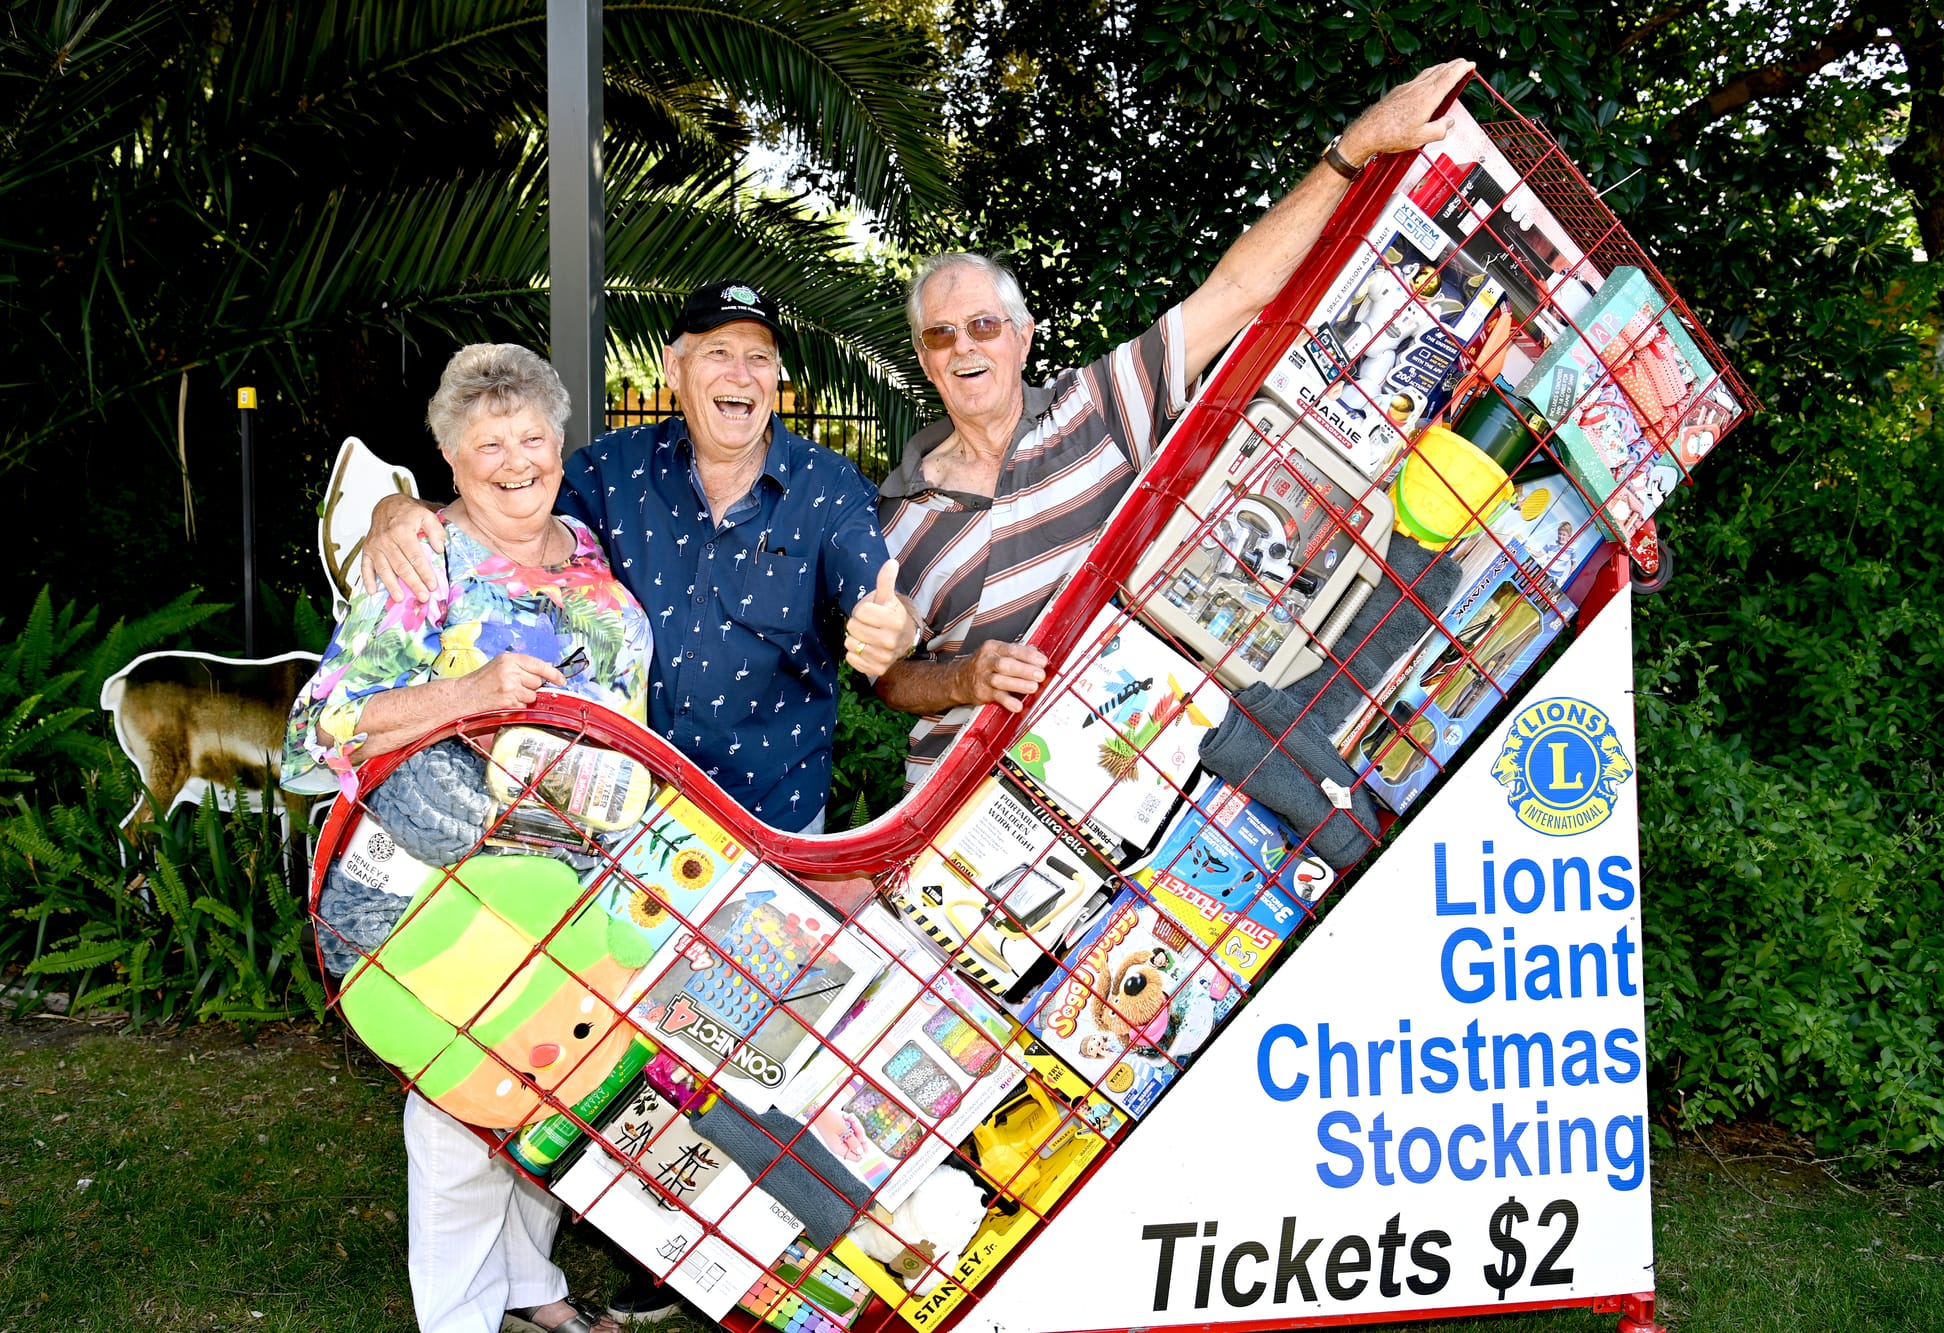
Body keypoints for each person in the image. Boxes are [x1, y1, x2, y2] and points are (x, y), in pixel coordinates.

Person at [872, 59, 1475, 787]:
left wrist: (1358, 146)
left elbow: (1238, 291)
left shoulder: (1098, 402)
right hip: (966, 795)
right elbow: (890, 676)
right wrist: (964, 678)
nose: (964, 347)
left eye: (982, 326)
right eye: (942, 335)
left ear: (1023, 336)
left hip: (1141, 769)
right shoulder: (890, 513)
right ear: (923, 357)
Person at [282, 343, 640, 1333]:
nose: (516, 458)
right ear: (450, 456)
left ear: (559, 441)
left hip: (570, 872)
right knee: (456, 1092)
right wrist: (464, 697)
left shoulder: (583, 547)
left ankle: (530, 1289)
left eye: (532, 435)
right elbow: (314, 735)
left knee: (547, 1076)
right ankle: (461, 1314)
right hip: (442, 884)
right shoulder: (422, 558)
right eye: (489, 442)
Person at [359, 282, 917, 833]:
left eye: (759, 358)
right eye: (718, 353)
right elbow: (504, 510)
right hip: (623, 824)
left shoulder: (830, 488)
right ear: (673, 369)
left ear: (775, 375)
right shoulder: (610, 471)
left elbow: (881, 602)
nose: (740, 374)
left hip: (773, 819)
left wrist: (897, 630)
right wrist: (401, 508)